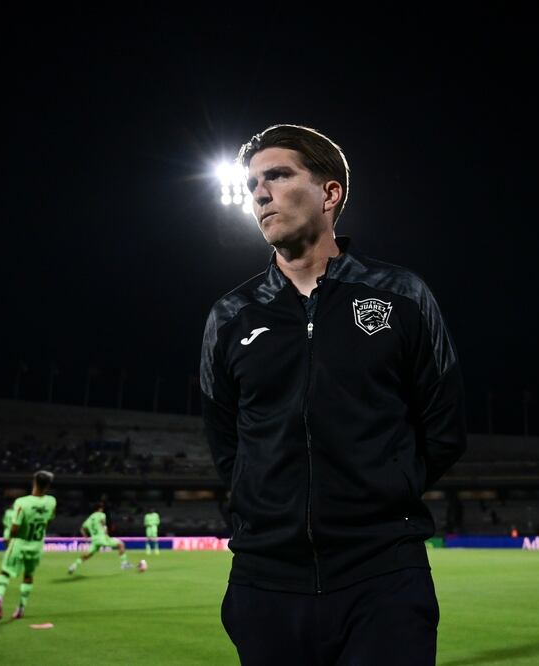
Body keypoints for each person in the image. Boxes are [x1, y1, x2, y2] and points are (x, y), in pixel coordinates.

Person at [200, 124, 467, 665]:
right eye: (253, 182)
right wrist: (267, 508)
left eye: (277, 175)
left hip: (384, 577)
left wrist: (383, 492)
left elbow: (443, 427)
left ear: (329, 193)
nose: (259, 192)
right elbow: (225, 440)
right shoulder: (230, 316)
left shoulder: (403, 296)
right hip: (266, 580)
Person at [0, 470, 57, 620]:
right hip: (36, 546)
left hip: (20, 543)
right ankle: (21, 608)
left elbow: (15, 528)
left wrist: (10, 538)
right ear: (48, 485)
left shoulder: (22, 502)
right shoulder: (51, 501)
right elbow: (49, 520)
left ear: (34, 482)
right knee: (28, 576)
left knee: (5, 572)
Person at [68, 500, 133, 573]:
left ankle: (74, 565)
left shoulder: (90, 518)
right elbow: (103, 525)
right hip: (102, 537)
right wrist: (106, 534)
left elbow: (82, 529)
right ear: (100, 508)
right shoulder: (101, 515)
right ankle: (124, 564)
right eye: (102, 508)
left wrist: (86, 538)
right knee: (121, 544)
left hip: (95, 539)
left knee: (88, 554)